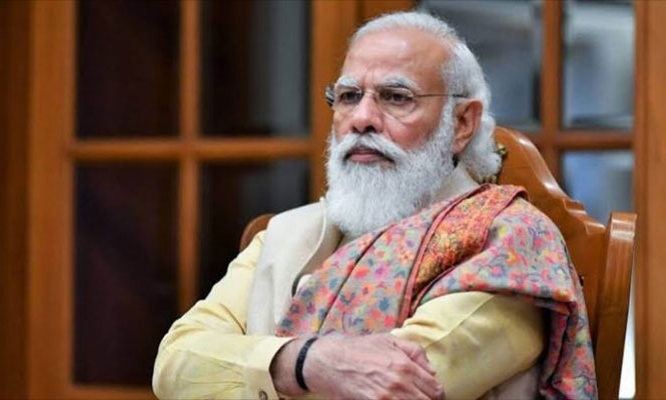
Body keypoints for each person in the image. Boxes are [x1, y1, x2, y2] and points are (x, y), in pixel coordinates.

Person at [153, 11, 596, 400]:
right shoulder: (286, 234)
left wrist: (250, 367)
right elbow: (173, 366)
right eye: (349, 96)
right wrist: (307, 361)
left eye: (396, 97)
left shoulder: (510, 241)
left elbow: (395, 386)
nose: (362, 119)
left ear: (462, 123)